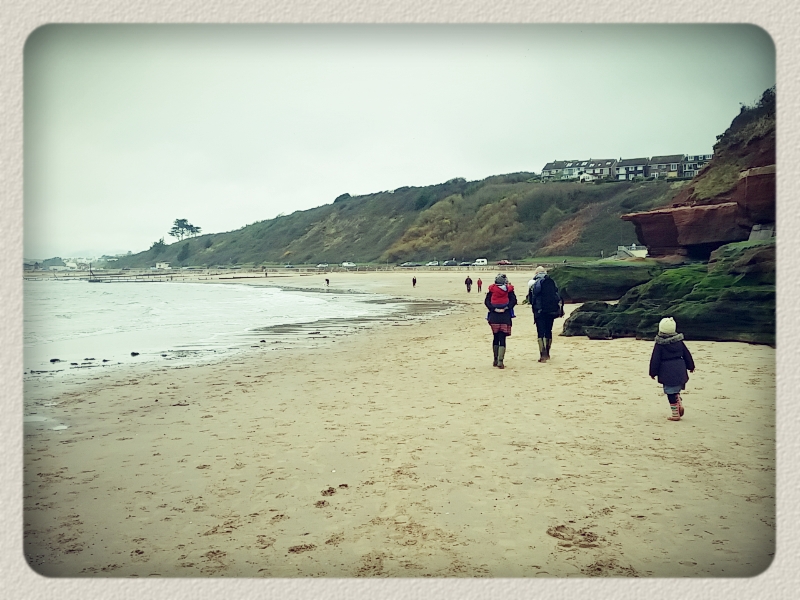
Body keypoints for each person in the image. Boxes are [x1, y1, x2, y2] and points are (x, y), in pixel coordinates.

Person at [649, 317, 695, 421]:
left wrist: (653, 372)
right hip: (680, 368)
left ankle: (675, 414)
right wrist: (691, 366)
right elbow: (687, 355)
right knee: (675, 388)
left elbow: (655, 359)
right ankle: (678, 399)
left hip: (666, 371)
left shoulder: (660, 344)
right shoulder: (679, 342)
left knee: (670, 392)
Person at [527, 266, 563, 362]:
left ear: (536, 273)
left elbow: (531, 298)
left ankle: (543, 354)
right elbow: (557, 294)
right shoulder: (551, 281)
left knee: (540, 331)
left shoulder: (535, 282)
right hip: (551, 310)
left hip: (539, 310)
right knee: (548, 330)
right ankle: (548, 352)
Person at [484, 274, 517, 369]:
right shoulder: (509, 290)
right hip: (505, 316)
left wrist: (494, 309)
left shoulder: (492, 289)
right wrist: (506, 308)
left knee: (495, 337)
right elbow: (514, 301)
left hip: (494, 317)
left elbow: (487, 302)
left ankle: (495, 359)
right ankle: (500, 361)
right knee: (502, 338)